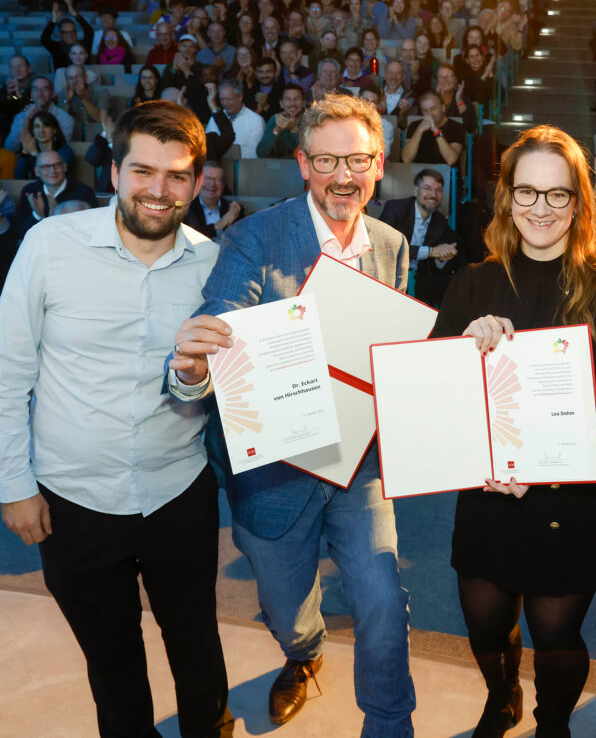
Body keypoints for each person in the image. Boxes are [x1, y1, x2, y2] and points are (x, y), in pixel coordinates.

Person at [169, 93, 415, 734]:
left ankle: (390, 722)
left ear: (379, 163)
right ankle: (303, 654)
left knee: (382, 599)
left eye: (357, 160)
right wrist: (208, 347)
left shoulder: (391, 243)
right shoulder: (253, 238)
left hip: (360, 465)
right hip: (275, 470)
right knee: (284, 609)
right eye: (327, 160)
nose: (343, 176)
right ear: (303, 164)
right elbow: (223, 313)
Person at [0, 100, 234, 738]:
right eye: (144, 171)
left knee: (197, 646)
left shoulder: (214, 265)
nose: (159, 190)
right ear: (114, 172)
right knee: (113, 664)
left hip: (178, 492)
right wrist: (14, 486)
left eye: (178, 176)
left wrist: (198, 378)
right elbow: (7, 372)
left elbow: (216, 387)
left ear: (195, 183)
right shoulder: (49, 245)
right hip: (72, 500)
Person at [431, 124, 596, 737]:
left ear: (579, 203)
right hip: (487, 492)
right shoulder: (474, 282)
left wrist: (547, 473)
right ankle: (501, 699)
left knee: (556, 635)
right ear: (507, 199)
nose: (540, 209)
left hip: (570, 501)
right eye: (526, 192)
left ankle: (554, 721)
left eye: (557, 195)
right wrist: (464, 349)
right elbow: (432, 397)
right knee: (485, 626)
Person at [379, 168, 461, 307]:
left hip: (419, 281)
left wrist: (442, 257)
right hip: (388, 273)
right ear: (416, 191)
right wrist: (430, 252)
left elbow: (435, 266)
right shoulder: (395, 209)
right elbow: (385, 245)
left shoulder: (440, 221)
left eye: (438, 190)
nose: (433, 194)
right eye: (427, 188)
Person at [12, 149, 96, 239]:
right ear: (36, 171)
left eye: (57, 165)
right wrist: (37, 215)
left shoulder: (83, 191)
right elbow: (19, 233)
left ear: (65, 167)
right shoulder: (30, 191)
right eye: (46, 166)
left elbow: (92, 230)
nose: (52, 171)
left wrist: (57, 217)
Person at [4, 76, 74, 153]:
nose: (40, 93)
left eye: (45, 89)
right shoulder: (21, 117)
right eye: (35, 89)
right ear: (31, 94)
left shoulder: (66, 118)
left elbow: (62, 148)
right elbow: (10, 148)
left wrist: (43, 120)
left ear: (52, 93)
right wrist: (26, 124)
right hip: (29, 161)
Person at [401, 90, 466, 166]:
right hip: (418, 174)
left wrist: (436, 130)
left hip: (446, 175)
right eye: (425, 110)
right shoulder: (414, 126)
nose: (429, 114)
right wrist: (419, 131)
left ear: (443, 108)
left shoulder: (456, 127)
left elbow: (451, 160)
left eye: (433, 109)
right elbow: (406, 159)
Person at [184, 161, 244, 239]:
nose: (212, 184)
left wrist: (231, 226)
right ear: (197, 181)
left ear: (223, 185)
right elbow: (189, 238)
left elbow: (242, 240)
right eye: (207, 178)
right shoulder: (186, 209)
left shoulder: (233, 210)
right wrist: (218, 225)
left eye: (217, 179)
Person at [207, 78, 265, 159]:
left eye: (228, 99)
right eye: (222, 99)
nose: (225, 103)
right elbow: (209, 148)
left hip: (244, 168)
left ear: (240, 97)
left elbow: (253, 154)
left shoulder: (256, 120)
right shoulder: (214, 119)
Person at [14, 110, 72, 179]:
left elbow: (55, 178)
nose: (41, 130)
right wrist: (25, 151)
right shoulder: (30, 152)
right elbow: (18, 177)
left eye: (46, 126)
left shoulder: (65, 151)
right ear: (33, 131)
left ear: (54, 130)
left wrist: (35, 154)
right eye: (37, 126)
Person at [256, 83, 305, 159]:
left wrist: (294, 129)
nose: (292, 103)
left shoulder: (310, 120)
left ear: (303, 103)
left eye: (297, 99)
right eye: (288, 99)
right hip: (277, 168)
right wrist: (277, 129)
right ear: (281, 104)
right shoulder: (275, 119)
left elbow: (308, 152)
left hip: (302, 168)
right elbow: (261, 153)